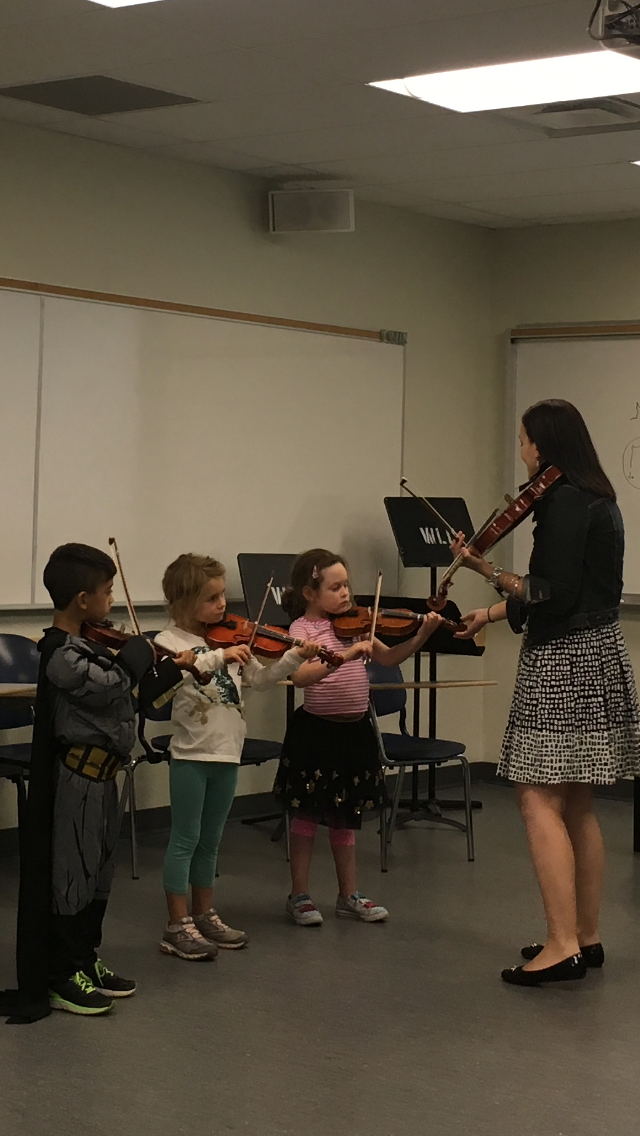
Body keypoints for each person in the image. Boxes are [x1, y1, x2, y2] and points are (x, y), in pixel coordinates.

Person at [452, 399, 640, 986]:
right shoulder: (602, 500)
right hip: (600, 651)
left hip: (563, 662)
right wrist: (490, 611)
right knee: (577, 804)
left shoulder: (561, 504)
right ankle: (586, 937)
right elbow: (577, 590)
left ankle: (561, 945)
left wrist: (484, 570)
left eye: (525, 441)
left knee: (536, 798)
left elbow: (547, 593)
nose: (523, 451)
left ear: (545, 445)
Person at [0, 544, 191, 1022]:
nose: (112, 602)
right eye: (107, 593)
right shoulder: (60, 654)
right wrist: (135, 655)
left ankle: (85, 958)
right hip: (76, 779)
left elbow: (135, 694)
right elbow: (109, 684)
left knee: (98, 877)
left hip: (105, 778)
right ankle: (62, 975)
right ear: (82, 600)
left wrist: (176, 666)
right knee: (72, 877)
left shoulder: (94, 645)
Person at [155, 553, 319, 961]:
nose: (222, 605)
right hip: (192, 755)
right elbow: (171, 682)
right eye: (211, 599)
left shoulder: (227, 639)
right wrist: (218, 657)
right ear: (183, 601)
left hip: (227, 754)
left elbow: (261, 681)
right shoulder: (169, 643)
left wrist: (293, 657)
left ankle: (204, 912)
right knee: (185, 840)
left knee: (211, 842)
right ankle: (176, 925)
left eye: (222, 595)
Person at [273, 548, 443, 926]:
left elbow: (389, 658)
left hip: (354, 732)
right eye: (335, 587)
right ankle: (299, 894)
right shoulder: (303, 630)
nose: (346, 594)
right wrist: (348, 655)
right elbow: (300, 677)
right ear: (309, 593)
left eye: (347, 585)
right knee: (305, 816)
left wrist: (423, 633)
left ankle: (348, 894)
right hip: (316, 733)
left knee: (345, 817)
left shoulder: (357, 623)